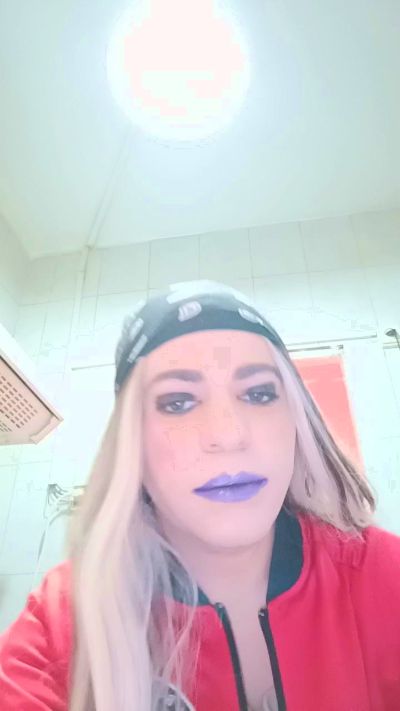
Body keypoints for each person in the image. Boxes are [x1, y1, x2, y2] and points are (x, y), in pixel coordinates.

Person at [0, 280, 399, 711]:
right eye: (178, 402)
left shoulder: (380, 574)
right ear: (133, 442)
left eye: (259, 393)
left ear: (296, 423)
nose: (228, 435)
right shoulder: (62, 624)